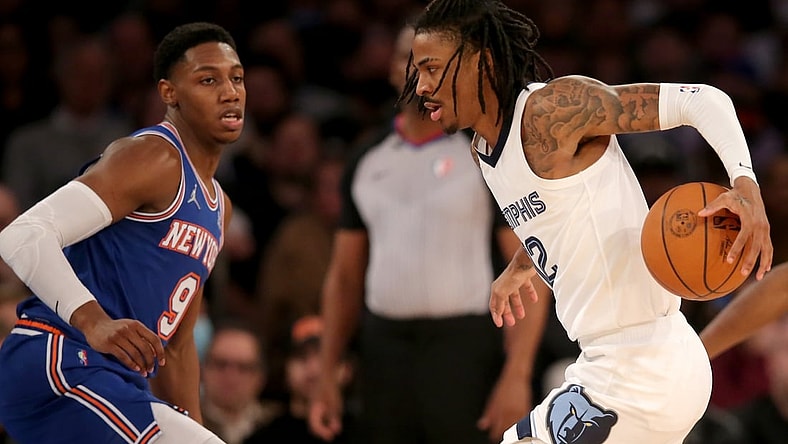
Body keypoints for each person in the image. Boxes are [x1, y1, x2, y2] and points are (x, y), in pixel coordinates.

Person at [399, 1, 772, 443]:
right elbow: (559, 214)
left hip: (641, 367)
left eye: (430, 67)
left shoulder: (553, 111)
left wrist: (746, 185)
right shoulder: (483, 149)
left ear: (481, 61)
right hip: (612, 363)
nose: (419, 85)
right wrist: (523, 264)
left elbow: (704, 100)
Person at [0, 22, 245, 443]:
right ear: (169, 93)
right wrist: (94, 321)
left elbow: (179, 348)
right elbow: (22, 234)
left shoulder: (218, 208)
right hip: (59, 361)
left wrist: (191, 425)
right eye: (208, 79)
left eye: (236, 77)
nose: (230, 91)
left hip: (115, 383)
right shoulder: (154, 156)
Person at [308, 22, 551, 444]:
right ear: (390, 69)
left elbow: (529, 267)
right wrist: (327, 373)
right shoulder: (366, 159)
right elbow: (345, 277)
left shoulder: (483, 155)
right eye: (411, 60)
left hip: (464, 349)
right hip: (383, 349)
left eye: (434, 64)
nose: (422, 75)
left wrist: (517, 375)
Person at [246, 315, 354, 444]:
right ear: (285, 369)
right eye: (301, 357)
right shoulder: (262, 438)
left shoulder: (369, 433)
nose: (313, 370)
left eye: (324, 359)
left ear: (347, 369)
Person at [201, 321, 280, 444]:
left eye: (243, 368)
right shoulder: (185, 422)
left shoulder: (278, 424)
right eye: (221, 364)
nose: (231, 376)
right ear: (203, 369)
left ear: (260, 377)